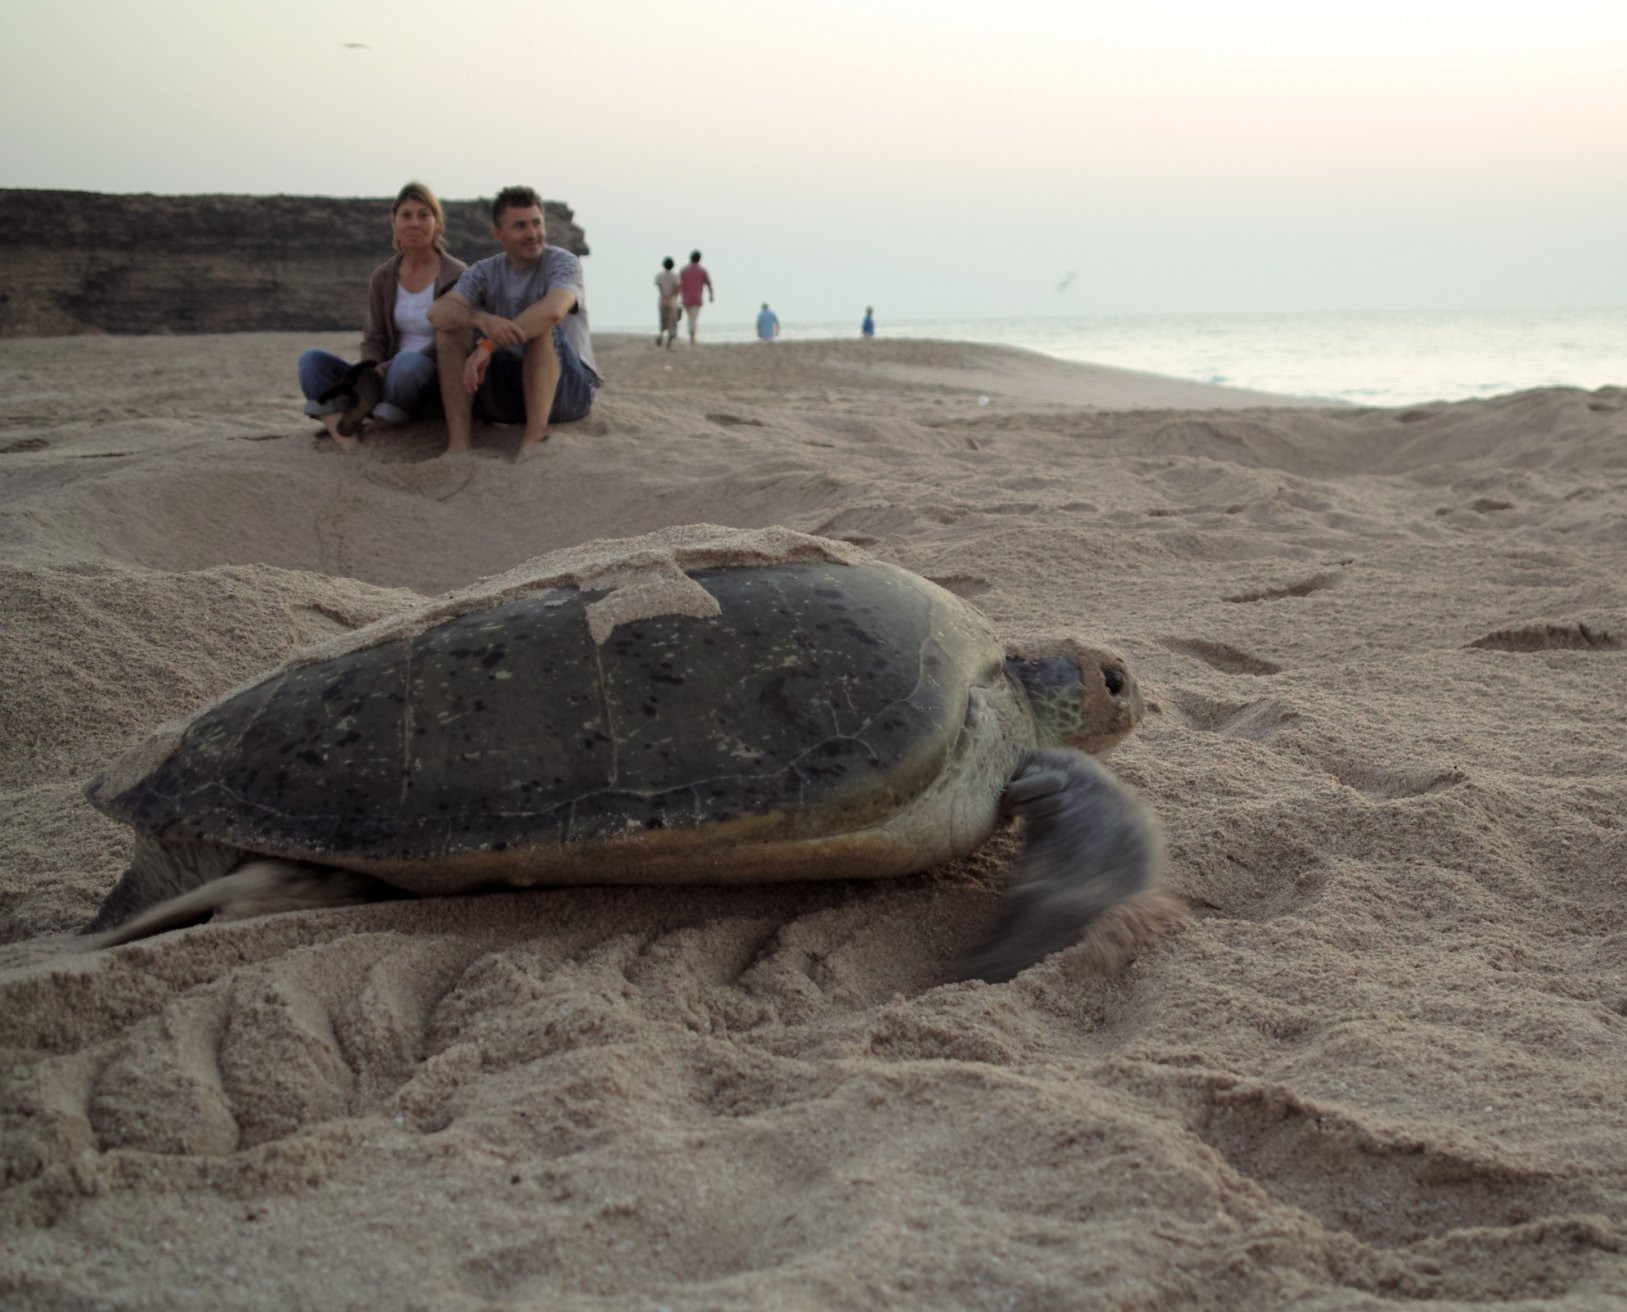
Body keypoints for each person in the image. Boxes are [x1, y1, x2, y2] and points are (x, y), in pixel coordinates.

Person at [428, 185, 601, 456]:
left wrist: (487, 346)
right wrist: (480, 319)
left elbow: (554, 310)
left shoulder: (563, 263)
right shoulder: (484, 272)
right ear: (498, 234)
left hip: (567, 392)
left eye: (536, 223)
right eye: (520, 226)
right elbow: (437, 313)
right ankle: (458, 446)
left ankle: (533, 441)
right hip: (511, 388)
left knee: (542, 328)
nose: (532, 234)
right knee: (450, 330)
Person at [296, 181, 467, 451]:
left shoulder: (457, 274)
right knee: (311, 362)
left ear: (438, 224)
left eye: (424, 215)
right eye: (406, 215)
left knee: (407, 362)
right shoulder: (383, 276)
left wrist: (387, 369)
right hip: (382, 378)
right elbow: (373, 338)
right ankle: (347, 440)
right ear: (395, 223)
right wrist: (369, 373)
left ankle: (380, 424)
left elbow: (455, 341)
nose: (414, 223)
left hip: (426, 380)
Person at [679, 250, 713, 343]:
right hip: (697, 298)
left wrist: (677, 295)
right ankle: (692, 336)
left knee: (690, 317)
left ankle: (691, 335)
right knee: (693, 318)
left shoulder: (684, 270)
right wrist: (711, 295)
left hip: (686, 298)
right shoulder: (702, 271)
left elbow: (679, 284)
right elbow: (708, 283)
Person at [654, 256, 681, 350]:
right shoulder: (675, 276)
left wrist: (664, 296)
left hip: (662, 299)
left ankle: (661, 336)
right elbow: (676, 288)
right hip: (672, 300)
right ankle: (669, 342)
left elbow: (659, 287)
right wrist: (671, 296)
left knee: (663, 320)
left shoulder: (659, 275)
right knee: (672, 322)